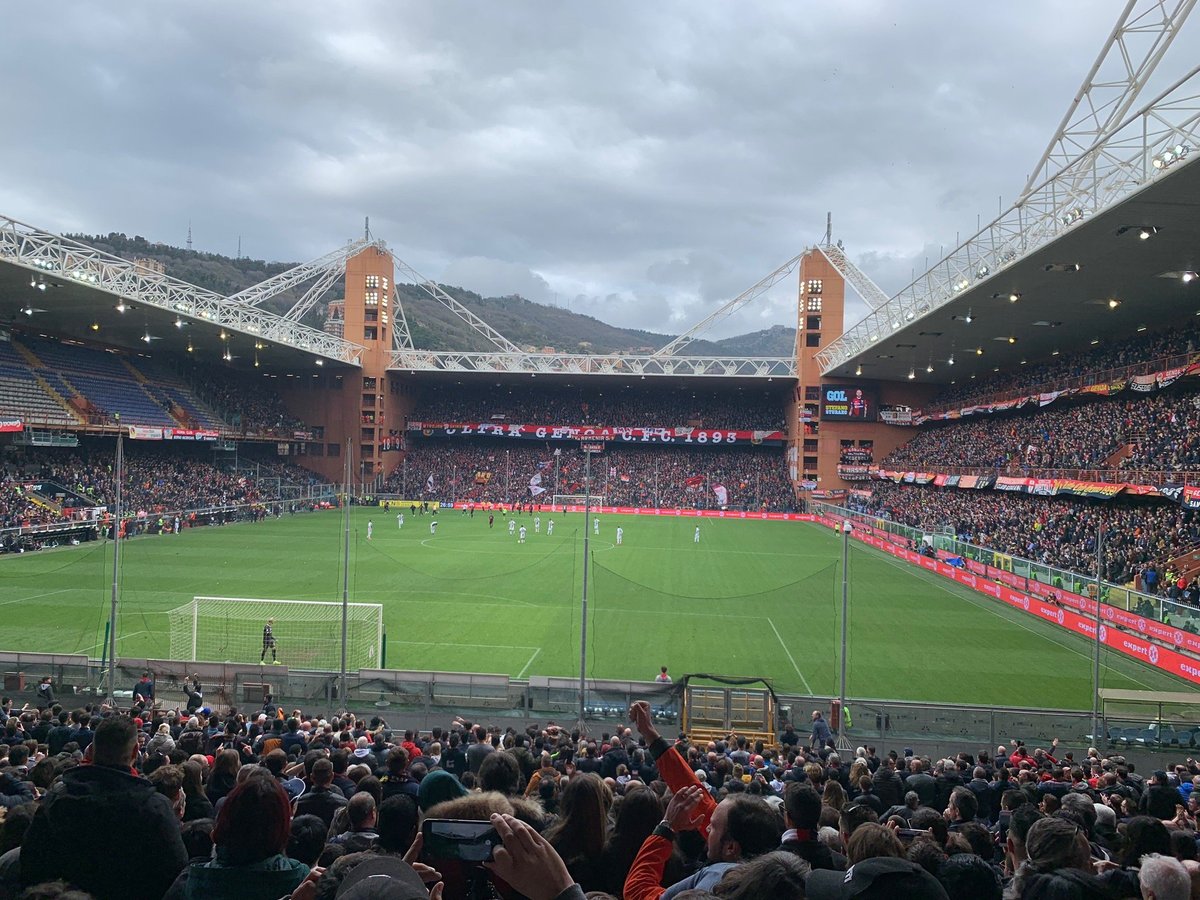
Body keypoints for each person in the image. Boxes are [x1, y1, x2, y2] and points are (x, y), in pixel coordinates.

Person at [20, 715, 189, 900]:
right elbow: (174, 872)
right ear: (135, 752)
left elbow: (31, 862)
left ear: (91, 750)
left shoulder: (56, 800)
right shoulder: (156, 808)